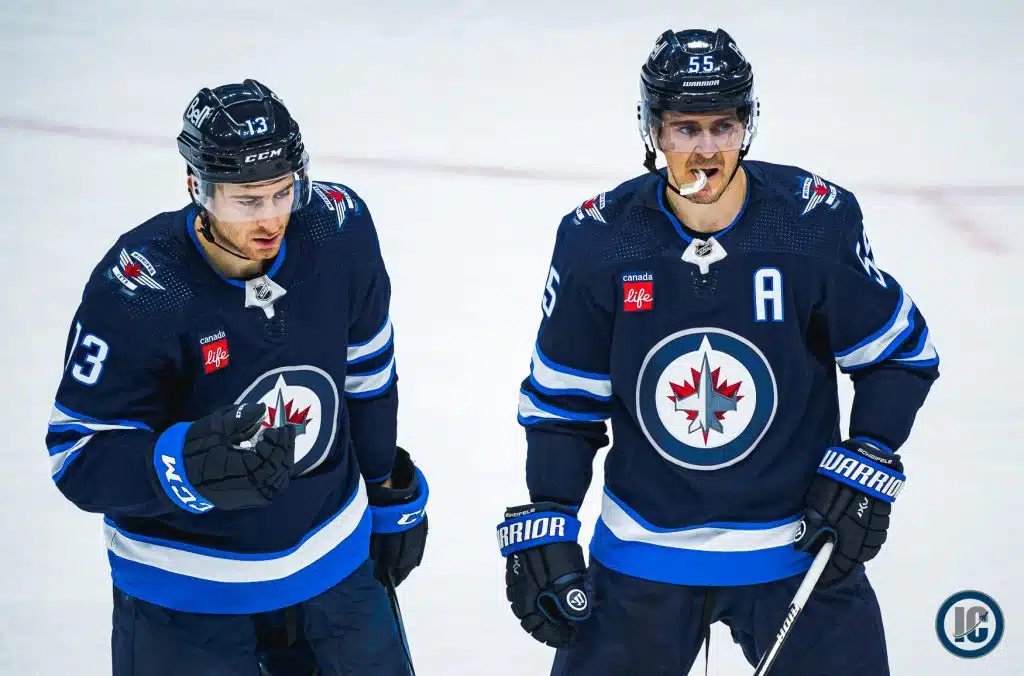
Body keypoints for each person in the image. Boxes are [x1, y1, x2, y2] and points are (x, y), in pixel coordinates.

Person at [496, 28, 938, 675]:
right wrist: (551, 513)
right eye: (686, 128)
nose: (706, 150)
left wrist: (867, 455)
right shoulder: (598, 240)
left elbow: (898, 354)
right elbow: (566, 404)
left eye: (722, 126)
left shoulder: (812, 223)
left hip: (799, 552)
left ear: (747, 125)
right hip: (642, 554)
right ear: (653, 129)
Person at [46, 79, 428, 675]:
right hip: (186, 601)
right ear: (197, 187)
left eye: (283, 192)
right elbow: (77, 455)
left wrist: (382, 489)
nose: (272, 218)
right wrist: (184, 466)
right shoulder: (141, 287)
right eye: (247, 201)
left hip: (336, 574)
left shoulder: (337, 230)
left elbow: (367, 374)